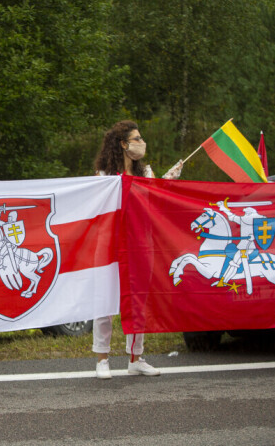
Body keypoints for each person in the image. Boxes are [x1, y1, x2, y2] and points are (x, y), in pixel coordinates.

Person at [92, 120, 183, 379]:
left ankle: (135, 358)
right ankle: (102, 358)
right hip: (110, 245)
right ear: (123, 144)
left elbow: (154, 202)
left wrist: (168, 181)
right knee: (106, 302)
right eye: (137, 138)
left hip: (141, 243)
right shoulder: (103, 176)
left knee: (139, 300)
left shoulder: (146, 172)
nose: (141, 143)